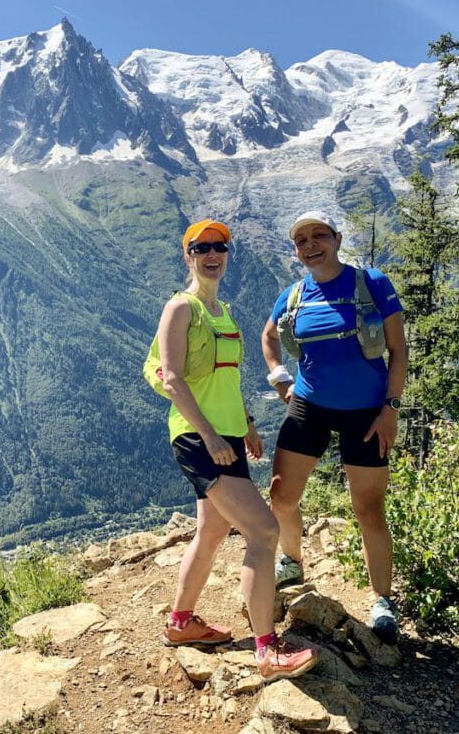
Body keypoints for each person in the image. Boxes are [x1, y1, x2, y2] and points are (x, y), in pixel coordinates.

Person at [155, 218, 319, 681]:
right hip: (197, 435)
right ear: (187, 255)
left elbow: (226, 378)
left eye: (219, 247)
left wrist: (244, 425)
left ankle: (181, 623)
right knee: (264, 532)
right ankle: (266, 651)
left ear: (227, 254)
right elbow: (171, 378)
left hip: (225, 434)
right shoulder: (181, 308)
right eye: (201, 247)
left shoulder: (222, 311)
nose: (212, 254)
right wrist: (208, 434)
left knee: (210, 532)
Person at [261, 210, 407, 643]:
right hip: (309, 405)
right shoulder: (293, 295)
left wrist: (391, 409)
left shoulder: (373, 284)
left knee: (368, 510)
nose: (310, 245)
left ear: (337, 239)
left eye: (318, 235)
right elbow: (270, 337)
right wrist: (280, 378)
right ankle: (291, 561)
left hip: (367, 412)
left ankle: (383, 600)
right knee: (281, 495)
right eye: (301, 239)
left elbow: (398, 351)